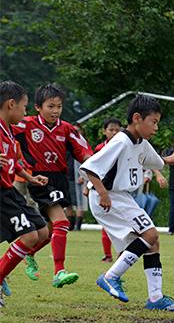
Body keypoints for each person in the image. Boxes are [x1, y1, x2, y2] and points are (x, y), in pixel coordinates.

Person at [80, 95, 174, 311]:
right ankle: (110, 276)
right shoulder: (120, 140)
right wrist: (103, 194)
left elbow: (154, 160)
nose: (156, 127)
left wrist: (167, 160)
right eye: (153, 122)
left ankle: (155, 298)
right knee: (150, 234)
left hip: (122, 198)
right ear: (137, 118)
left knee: (152, 243)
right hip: (109, 197)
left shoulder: (141, 143)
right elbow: (90, 168)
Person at [13, 83, 93, 287]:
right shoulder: (26, 124)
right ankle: (59, 271)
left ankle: (27, 253)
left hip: (60, 180)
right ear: (38, 107)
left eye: (59, 106)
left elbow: (85, 153)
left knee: (49, 232)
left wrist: (95, 168)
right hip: (40, 179)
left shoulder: (67, 129)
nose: (55, 111)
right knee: (62, 222)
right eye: (51, 106)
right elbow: (5, 127)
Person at [0, 80, 50, 308]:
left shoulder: (9, 131)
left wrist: (30, 178)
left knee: (42, 231)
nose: (25, 112)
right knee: (30, 237)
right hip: (1, 194)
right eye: (24, 107)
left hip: (10, 191)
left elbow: (13, 162)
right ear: (11, 104)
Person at [92, 118, 122, 262]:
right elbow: (92, 169)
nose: (114, 132)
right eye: (111, 129)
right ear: (105, 132)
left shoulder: (123, 147)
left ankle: (122, 253)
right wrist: (88, 187)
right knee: (106, 224)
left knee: (121, 223)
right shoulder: (99, 148)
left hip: (119, 191)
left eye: (117, 130)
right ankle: (108, 255)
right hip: (103, 191)